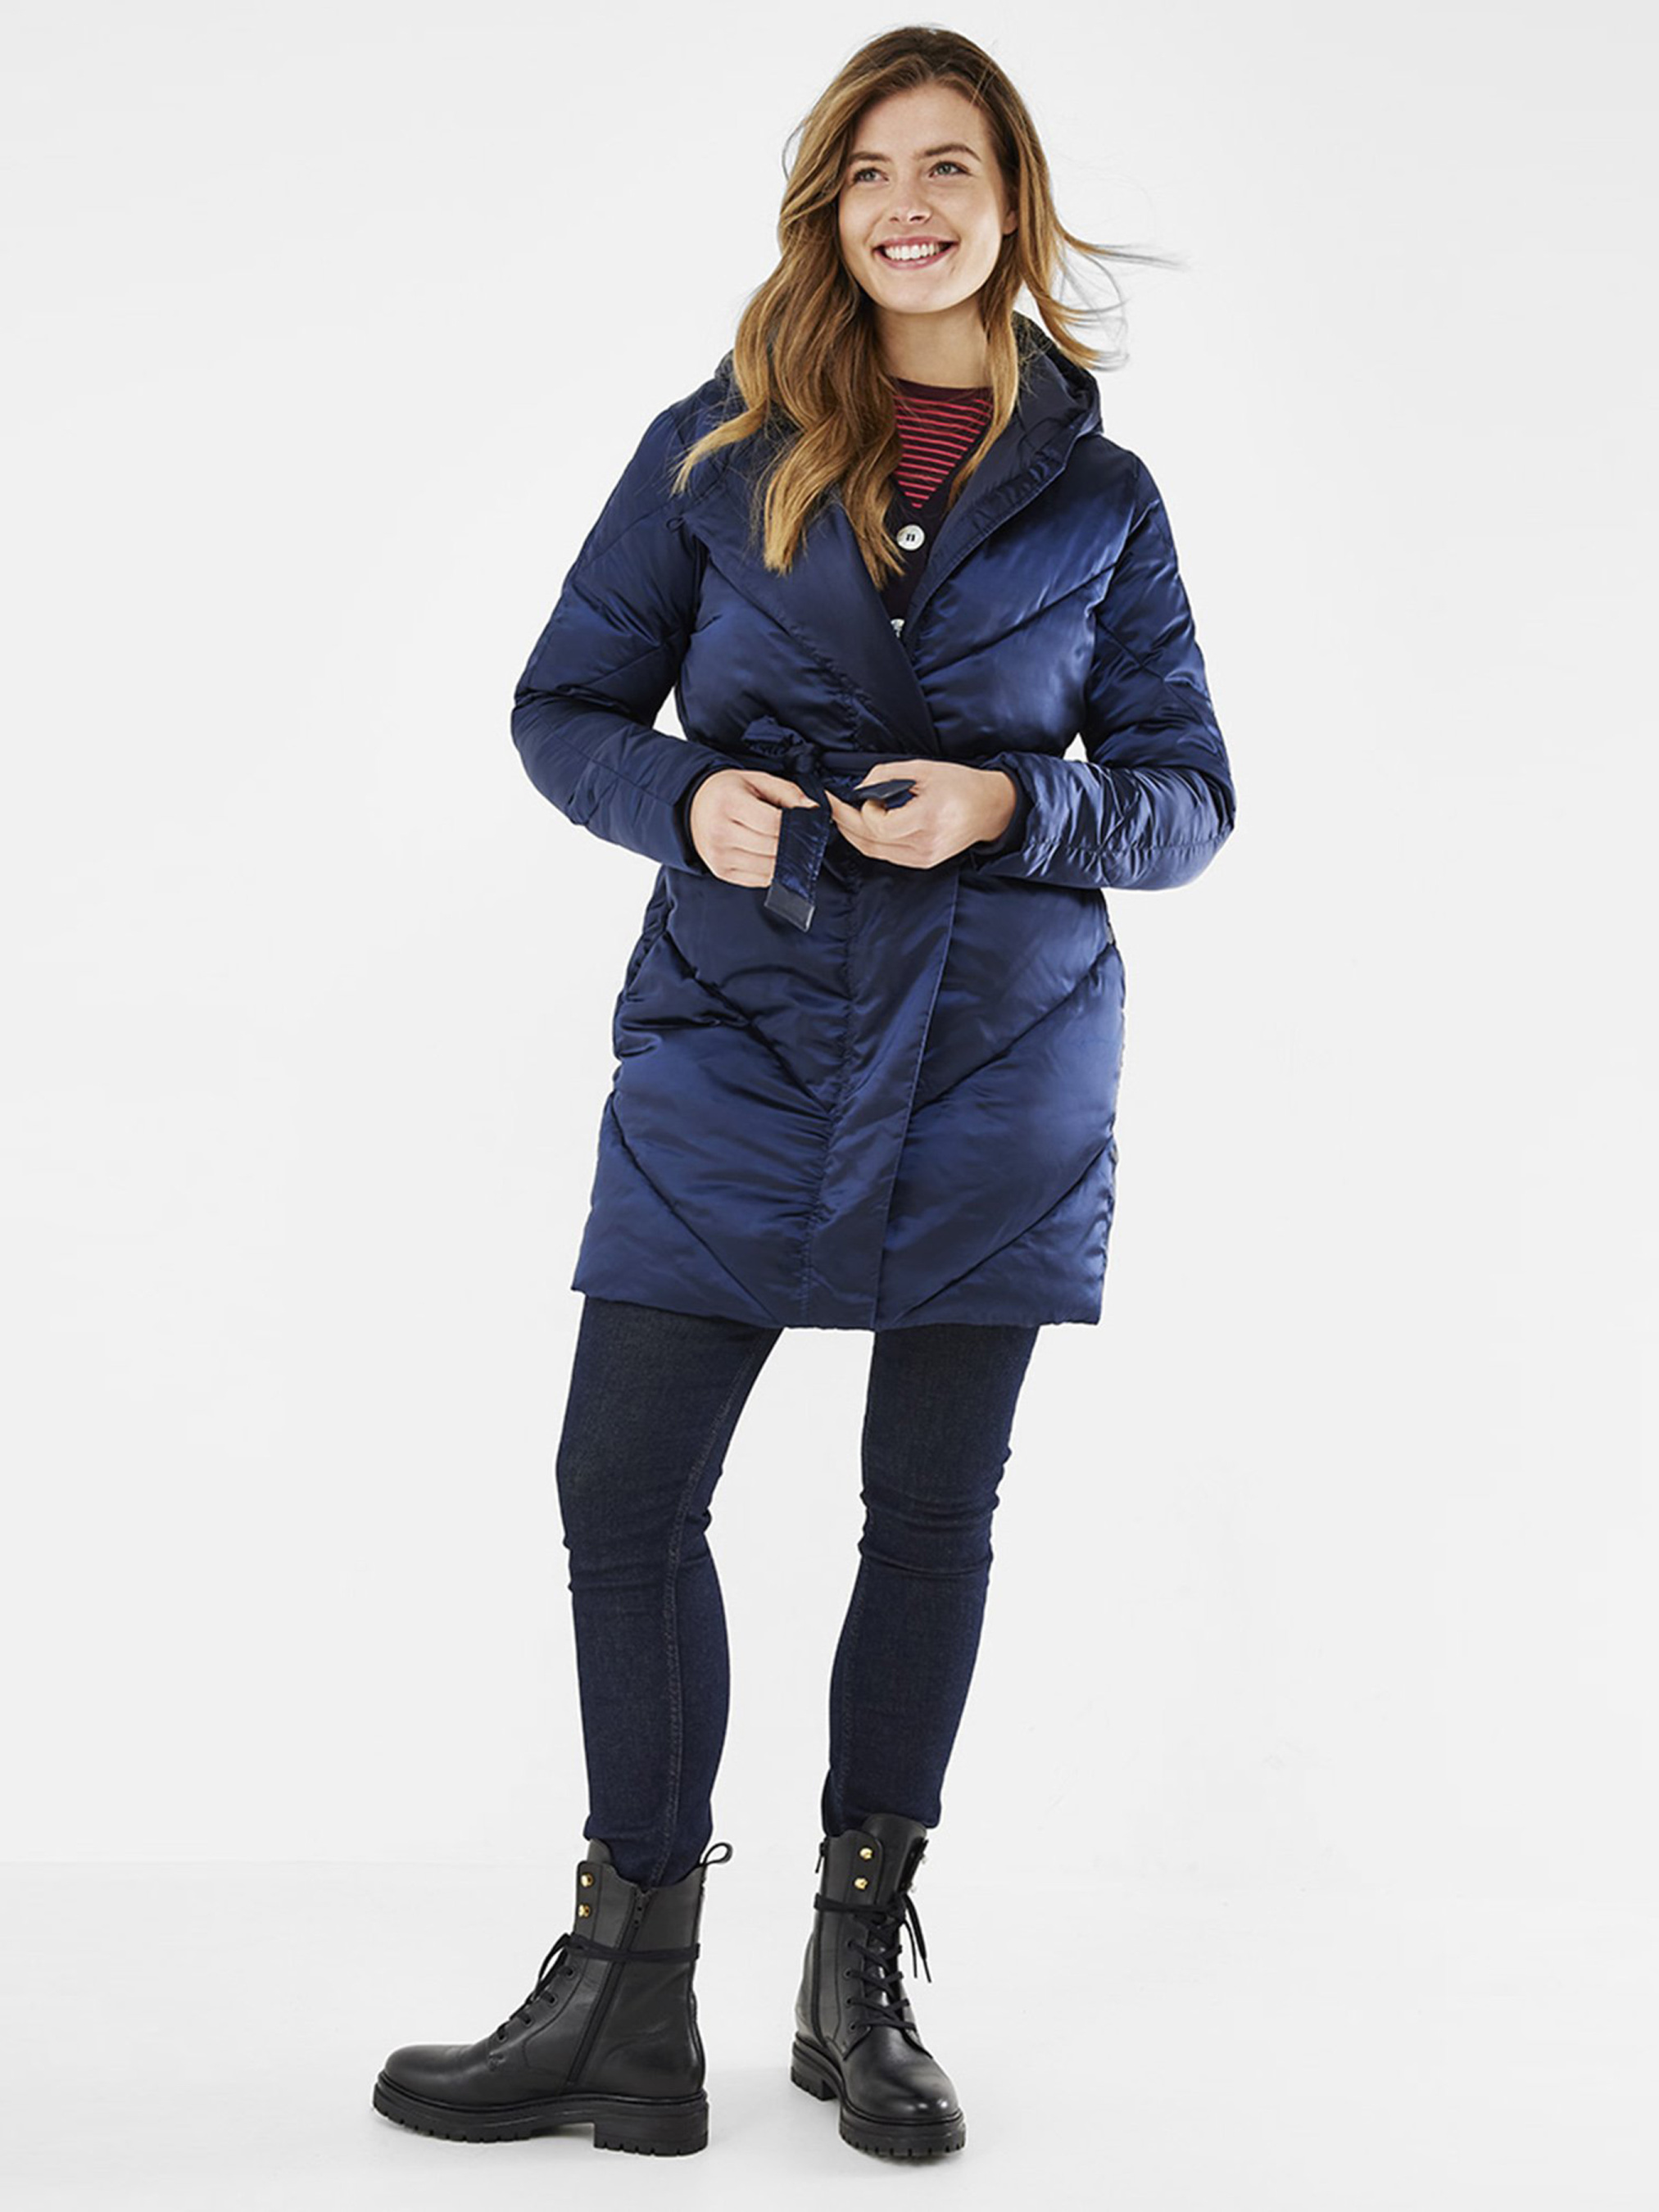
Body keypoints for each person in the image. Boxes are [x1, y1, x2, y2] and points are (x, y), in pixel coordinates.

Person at [371, 23, 1236, 2164]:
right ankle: (627, 1988)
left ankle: (859, 1974)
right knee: (621, 1488)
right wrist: (687, 799)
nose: (906, 206)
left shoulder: (1102, 498)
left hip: (994, 1068)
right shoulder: (715, 447)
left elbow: (1186, 799)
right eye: (868, 172)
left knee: (928, 1516)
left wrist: (1010, 806)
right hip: (737, 1046)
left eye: (947, 168)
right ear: (826, 209)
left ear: (1010, 204)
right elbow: (562, 705)